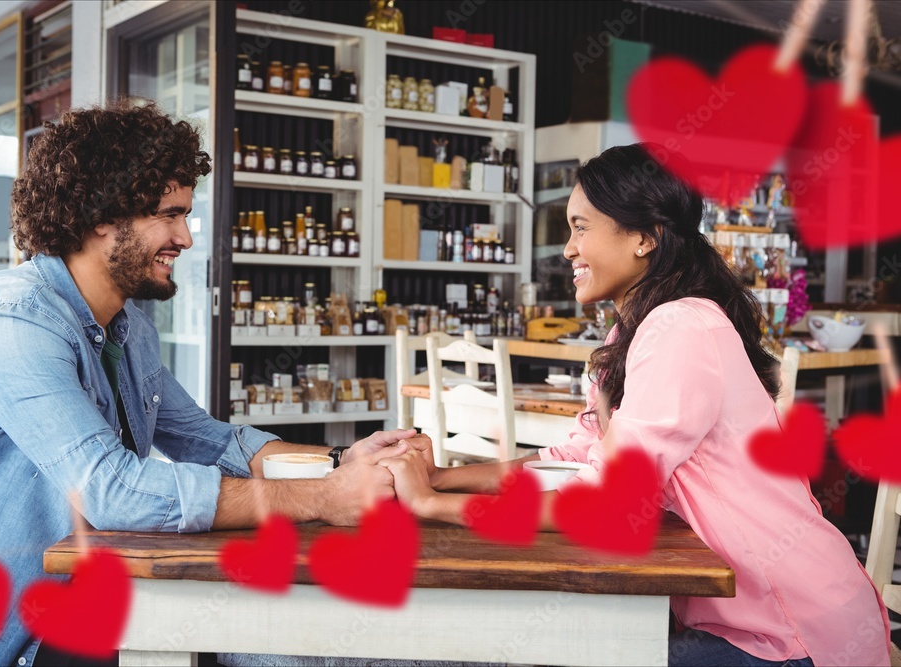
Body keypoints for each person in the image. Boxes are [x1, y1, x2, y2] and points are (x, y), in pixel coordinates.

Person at [0, 100, 420, 667]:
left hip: (85, 597)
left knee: (310, 636)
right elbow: (111, 489)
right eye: (169, 215)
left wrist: (341, 460)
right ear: (101, 215)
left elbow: (207, 439)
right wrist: (320, 497)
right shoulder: (9, 321)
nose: (186, 238)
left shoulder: (126, 324)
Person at [379, 144, 891, 667]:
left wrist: (433, 506)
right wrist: (442, 477)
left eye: (581, 228)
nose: (567, 251)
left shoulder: (681, 326)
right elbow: (578, 456)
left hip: (790, 634)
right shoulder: (638, 327)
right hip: (744, 619)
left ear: (646, 237)